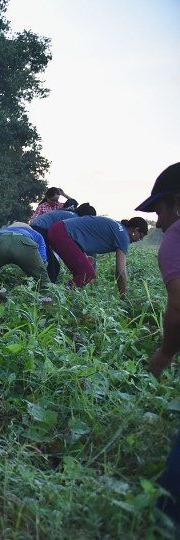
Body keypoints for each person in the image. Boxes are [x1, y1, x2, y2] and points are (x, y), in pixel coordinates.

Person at [136, 162, 180, 526]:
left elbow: (178, 307)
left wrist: (165, 353)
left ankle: (166, 520)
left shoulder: (175, 240)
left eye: (160, 211)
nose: (159, 223)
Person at [47, 215, 147, 295]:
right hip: (62, 233)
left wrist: (94, 280)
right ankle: (57, 297)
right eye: (140, 236)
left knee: (85, 273)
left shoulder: (118, 228)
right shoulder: (123, 236)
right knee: (86, 273)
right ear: (135, 230)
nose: (139, 240)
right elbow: (120, 272)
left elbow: (91, 245)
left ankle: (62, 296)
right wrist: (124, 297)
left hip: (59, 229)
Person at [31, 201, 96, 282]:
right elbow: (71, 241)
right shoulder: (74, 218)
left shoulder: (69, 214)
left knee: (55, 266)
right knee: (50, 266)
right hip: (39, 231)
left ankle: (47, 286)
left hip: (37, 230)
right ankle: (44, 288)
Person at [0, 222, 48, 287]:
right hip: (24, 243)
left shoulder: (3, 231)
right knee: (42, 280)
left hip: (0, 241)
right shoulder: (36, 234)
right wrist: (41, 268)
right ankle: (46, 297)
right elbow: (43, 257)